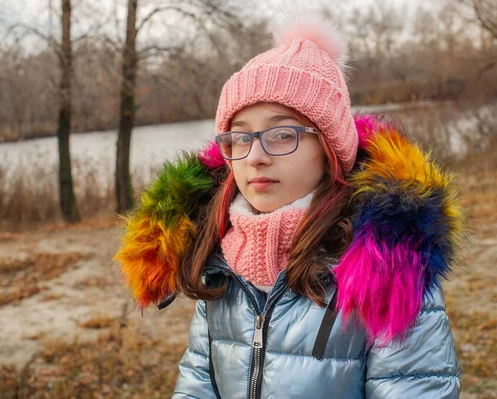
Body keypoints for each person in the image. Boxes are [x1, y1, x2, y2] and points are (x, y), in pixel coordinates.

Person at [114, 10, 467, 399]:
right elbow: (198, 380)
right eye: (240, 138)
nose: (255, 157)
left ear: (330, 149)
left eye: (282, 135)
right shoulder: (217, 258)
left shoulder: (388, 265)